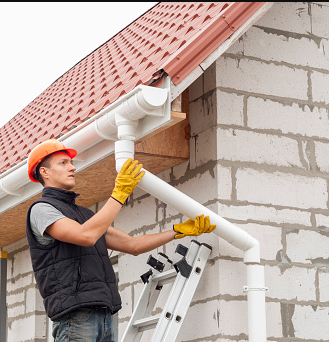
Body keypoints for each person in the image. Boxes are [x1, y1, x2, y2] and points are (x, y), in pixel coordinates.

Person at [25, 139, 216, 342]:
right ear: (44, 172)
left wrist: (178, 231)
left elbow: (132, 245)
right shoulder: (41, 210)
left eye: (71, 163)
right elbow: (85, 236)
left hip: (104, 315)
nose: (72, 167)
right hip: (75, 318)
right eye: (63, 163)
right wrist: (119, 194)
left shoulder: (85, 215)